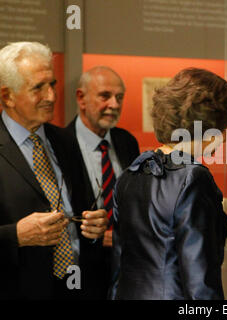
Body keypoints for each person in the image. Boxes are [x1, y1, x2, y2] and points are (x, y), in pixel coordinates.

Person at [111, 67, 227, 299]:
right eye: (226, 125)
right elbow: (200, 279)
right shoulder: (192, 178)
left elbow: (119, 268)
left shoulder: (130, 174)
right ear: (211, 129)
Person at [0, 41, 109, 299]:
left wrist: (94, 225)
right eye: (38, 88)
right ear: (8, 96)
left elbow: (81, 206)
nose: (51, 96)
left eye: (53, 85)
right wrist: (15, 235)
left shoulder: (65, 141)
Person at [65, 66, 139, 297]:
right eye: (105, 96)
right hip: (80, 276)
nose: (114, 105)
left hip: (127, 270)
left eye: (119, 97)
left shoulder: (127, 142)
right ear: (81, 98)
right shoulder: (58, 145)